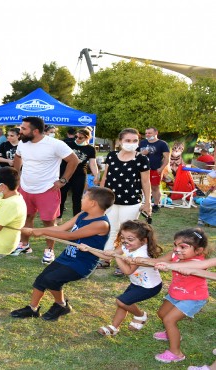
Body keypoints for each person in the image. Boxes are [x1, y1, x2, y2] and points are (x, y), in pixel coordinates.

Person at [10, 186, 115, 321]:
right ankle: (32, 309)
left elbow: (70, 236)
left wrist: (42, 231)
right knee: (42, 279)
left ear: (93, 203)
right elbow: (60, 228)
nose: (81, 199)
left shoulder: (101, 224)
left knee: (51, 279)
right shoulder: (82, 214)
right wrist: (35, 230)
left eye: (84, 197)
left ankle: (61, 305)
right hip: (68, 256)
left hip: (81, 263)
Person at [134, 228, 210, 364]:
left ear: (198, 250)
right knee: (162, 313)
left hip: (193, 298)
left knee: (169, 320)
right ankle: (171, 333)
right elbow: (159, 261)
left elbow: (177, 265)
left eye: (183, 247)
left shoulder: (199, 263)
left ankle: (176, 353)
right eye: (175, 245)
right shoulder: (174, 255)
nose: (177, 249)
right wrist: (141, 260)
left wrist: (168, 265)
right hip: (176, 293)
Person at [12, 117, 79, 265]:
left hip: (48, 189)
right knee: (26, 217)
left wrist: (63, 180)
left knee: (48, 222)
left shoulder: (55, 144)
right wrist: (15, 178)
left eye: (24, 129)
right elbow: (18, 157)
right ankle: (24, 244)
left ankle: (49, 250)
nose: (20, 131)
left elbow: (74, 161)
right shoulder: (23, 143)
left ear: (35, 131)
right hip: (25, 188)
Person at [77, 220, 163, 336]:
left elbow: (128, 271)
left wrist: (118, 257)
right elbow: (106, 255)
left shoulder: (141, 254)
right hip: (137, 283)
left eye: (130, 239)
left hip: (149, 286)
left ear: (143, 240)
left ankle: (140, 315)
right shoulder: (126, 246)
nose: (125, 241)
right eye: (123, 237)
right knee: (124, 302)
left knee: (122, 301)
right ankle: (114, 327)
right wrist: (89, 249)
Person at [98, 128, 152, 274]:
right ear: (120, 141)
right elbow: (105, 177)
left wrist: (148, 202)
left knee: (127, 233)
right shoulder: (111, 156)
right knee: (110, 229)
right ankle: (106, 258)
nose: (131, 143)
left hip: (132, 201)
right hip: (110, 201)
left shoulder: (141, 158)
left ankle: (123, 262)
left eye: (135, 141)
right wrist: (100, 196)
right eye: (128, 140)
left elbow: (146, 182)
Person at [59, 128, 100, 221]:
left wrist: (96, 175)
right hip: (65, 173)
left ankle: (76, 218)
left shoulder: (90, 149)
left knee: (77, 197)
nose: (77, 139)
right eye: (76, 136)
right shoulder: (68, 144)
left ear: (87, 138)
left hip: (79, 174)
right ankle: (58, 216)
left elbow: (92, 164)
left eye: (80, 138)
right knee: (62, 194)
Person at [138, 126, 169, 213]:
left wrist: (161, 168)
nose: (147, 135)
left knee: (155, 187)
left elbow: (167, 158)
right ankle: (142, 203)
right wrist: (142, 153)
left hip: (155, 169)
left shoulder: (162, 144)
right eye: (146, 133)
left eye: (149, 133)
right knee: (140, 186)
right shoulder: (142, 142)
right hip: (142, 169)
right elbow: (135, 154)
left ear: (156, 133)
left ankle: (156, 205)